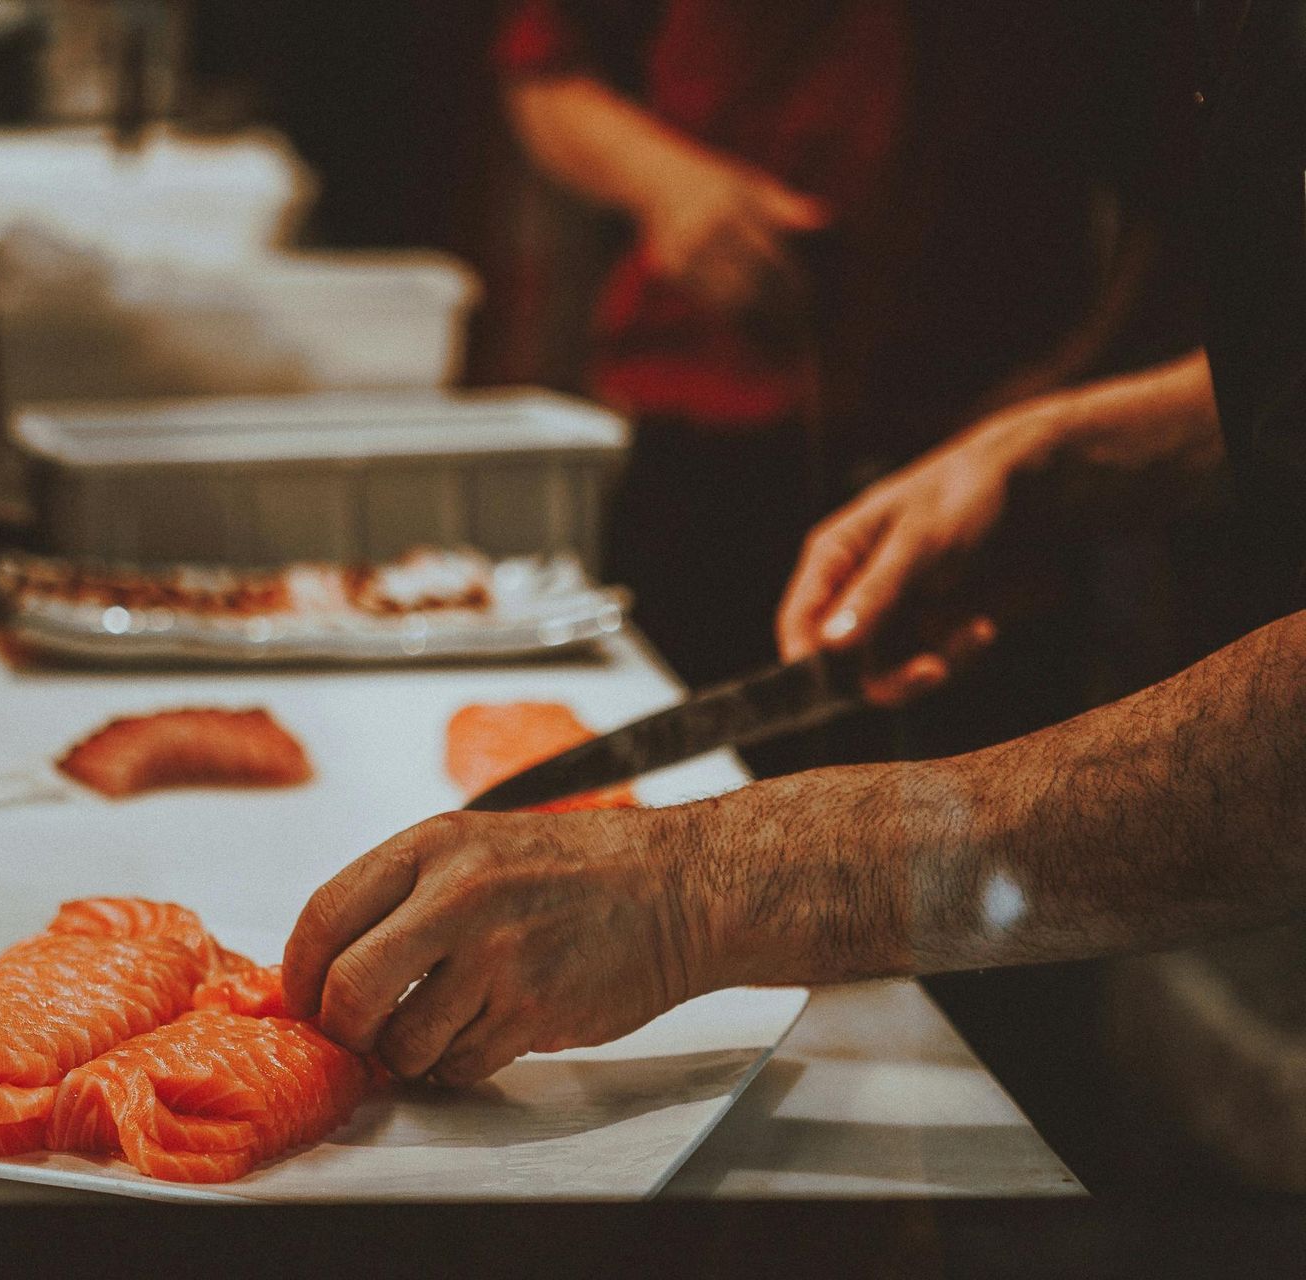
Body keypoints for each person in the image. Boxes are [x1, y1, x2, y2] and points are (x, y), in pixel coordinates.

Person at [280, 0, 1304, 1090]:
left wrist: (687, 893)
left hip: (977, 474)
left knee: (998, 1070)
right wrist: (1064, 446)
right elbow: (547, 64)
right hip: (754, 466)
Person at [498, 0, 1197, 702]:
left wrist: (1066, 398)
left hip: (1002, 459)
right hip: (710, 441)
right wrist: (667, 183)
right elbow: (544, 68)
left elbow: (1175, 177)